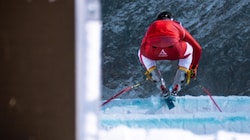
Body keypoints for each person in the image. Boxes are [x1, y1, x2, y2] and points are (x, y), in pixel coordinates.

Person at [138, 11, 202, 97]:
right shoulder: (177, 25)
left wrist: (148, 69)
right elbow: (197, 48)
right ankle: (177, 84)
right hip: (175, 50)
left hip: (153, 52)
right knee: (189, 48)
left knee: (141, 53)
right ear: (171, 20)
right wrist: (193, 68)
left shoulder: (152, 26)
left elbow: (143, 46)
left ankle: (158, 80)